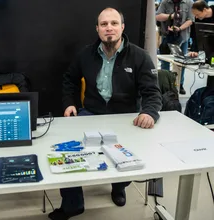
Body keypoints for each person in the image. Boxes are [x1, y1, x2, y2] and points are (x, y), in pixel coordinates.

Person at [49, 7, 162, 220]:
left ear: (122, 27)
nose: (109, 28)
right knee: (65, 151)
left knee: (131, 154)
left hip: (125, 117)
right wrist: (69, 103)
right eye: (104, 24)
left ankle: (119, 186)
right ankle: (73, 204)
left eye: (113, 23)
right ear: (97, 29)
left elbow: (153, 93)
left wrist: (149, 113)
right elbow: (68, 80)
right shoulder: (85, 54)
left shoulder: (140, 56)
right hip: (91, 113)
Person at [156, 0, 194, 95]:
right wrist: (171, 16)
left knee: (181, 63)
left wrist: (180, 28)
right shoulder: (165, 2)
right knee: (165, 62)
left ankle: (179, 84)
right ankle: (165, 84)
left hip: (183, 36)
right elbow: (157, 16)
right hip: (167, 36)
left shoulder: (189, 2)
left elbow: (191, 20)